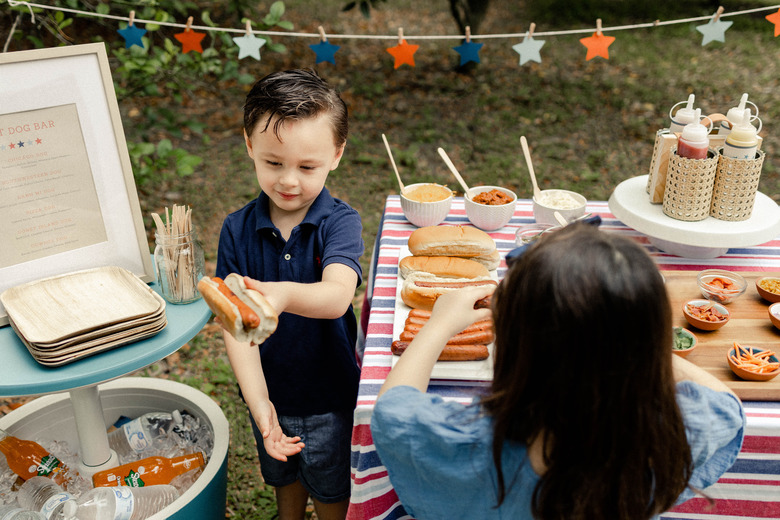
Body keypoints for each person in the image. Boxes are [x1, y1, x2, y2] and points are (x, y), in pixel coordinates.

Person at [371, 223, 745, 520]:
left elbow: (392, 410)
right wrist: (626, 335)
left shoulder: (464, 442)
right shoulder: (666, 440)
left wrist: (437, 327)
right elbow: (725, 401)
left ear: (519, 346)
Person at [215, 68, 363, 520]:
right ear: (249, 147)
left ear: (336, 154)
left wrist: (279, 296)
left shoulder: (340, 223)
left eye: (307, 166)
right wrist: (261, 407)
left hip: (329, 399)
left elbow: (337, 296)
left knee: (333, 493)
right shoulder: (236, 230)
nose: (289, 181)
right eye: (274, 163)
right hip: (270, 394)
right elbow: (236, 329)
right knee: (284, 480)